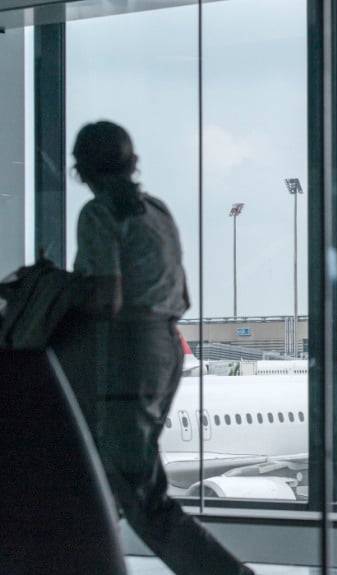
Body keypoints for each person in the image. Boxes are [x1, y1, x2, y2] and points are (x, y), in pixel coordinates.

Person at [59, 121, 253, 575]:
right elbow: (182, 296)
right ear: (132, 165)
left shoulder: (98, 214)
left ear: (81, 171)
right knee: (117, 485)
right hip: (165, 350)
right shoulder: (157, 211)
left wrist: (59, 291)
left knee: (138, 495)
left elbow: (106, 298)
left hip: (127, 354)